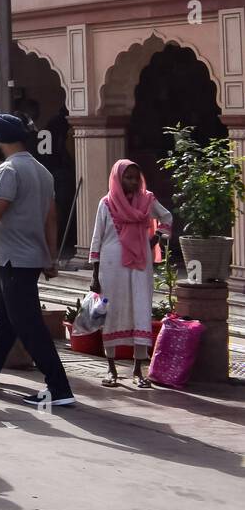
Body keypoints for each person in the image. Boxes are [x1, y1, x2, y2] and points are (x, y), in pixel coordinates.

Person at [0, 113, 74, 408]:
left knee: (27, 323)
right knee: (5, 321)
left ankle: (58, 387)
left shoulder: (8, 171)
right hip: (29, 257)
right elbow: (51, 217)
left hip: (12, 259)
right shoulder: (41, 171)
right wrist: (51, 255)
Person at [89, 159, 171, 388]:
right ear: (117, 178)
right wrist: (95, 276)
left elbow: (166, 218)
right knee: (112, 312)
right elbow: (97, 238)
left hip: (140, 264)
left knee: (141, 309)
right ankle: (111, 368)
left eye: (136, 177)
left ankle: (138, 370)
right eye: (128, 177)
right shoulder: (106, 203)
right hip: (111, 266)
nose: (133, 182)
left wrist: (156, 238)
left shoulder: (148, 200)